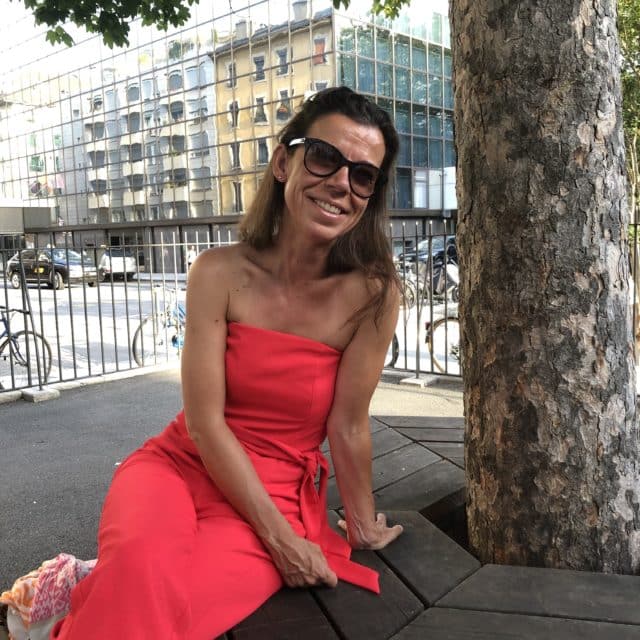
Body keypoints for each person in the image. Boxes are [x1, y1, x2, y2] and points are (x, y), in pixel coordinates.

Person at [50, 86, 403, 639]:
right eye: (325, 157)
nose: (342, 182)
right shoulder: (217, 272)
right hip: (177, 467)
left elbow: (348, 424)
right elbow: (203, 422)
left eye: (363, 175)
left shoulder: (374, 294)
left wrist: (360, 525)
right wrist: (283, 544)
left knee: (159, 609)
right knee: (140, 571)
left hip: (275, 497)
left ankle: (69, 604)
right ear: (284, 162)